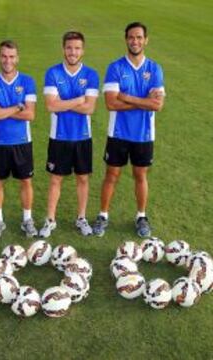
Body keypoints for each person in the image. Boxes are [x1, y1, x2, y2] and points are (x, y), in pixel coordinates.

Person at [92, 22, 165, 238]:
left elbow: (157, 105)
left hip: (144, 134)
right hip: (119, 133)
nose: (135, 41)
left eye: (139, 37)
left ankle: (141, 216)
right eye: (131, 37)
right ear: (126, 40)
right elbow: (111, 104)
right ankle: (103, 215)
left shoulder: (154, 69)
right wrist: (143, 100)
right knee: (111, 175)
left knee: (140, 175)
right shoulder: (116, 68)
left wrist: (127, 97)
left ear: (146, 40)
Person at [39, 31, 99, 238]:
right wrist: (79, 99)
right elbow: (50, 105)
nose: (73, 52)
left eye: (77, 48)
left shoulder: (91, 74)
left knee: (82, 178)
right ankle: (50, 220)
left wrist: (63, 104)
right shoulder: (53, 73)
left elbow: (90, 109)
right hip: (59, 136)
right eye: (69, 47)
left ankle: (81, 218)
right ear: (63, 49)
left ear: (83, 50)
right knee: (56, 179)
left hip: (83, 136)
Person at [0, 40, 38, 239]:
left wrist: (2, 110)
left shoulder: (27, 81)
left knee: (26, 181)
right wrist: (17, 107)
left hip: (22, 140)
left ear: (17, 58)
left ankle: (27, 220)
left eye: (11, 56)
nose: (8, 60)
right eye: (4, 56)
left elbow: (30, 115)